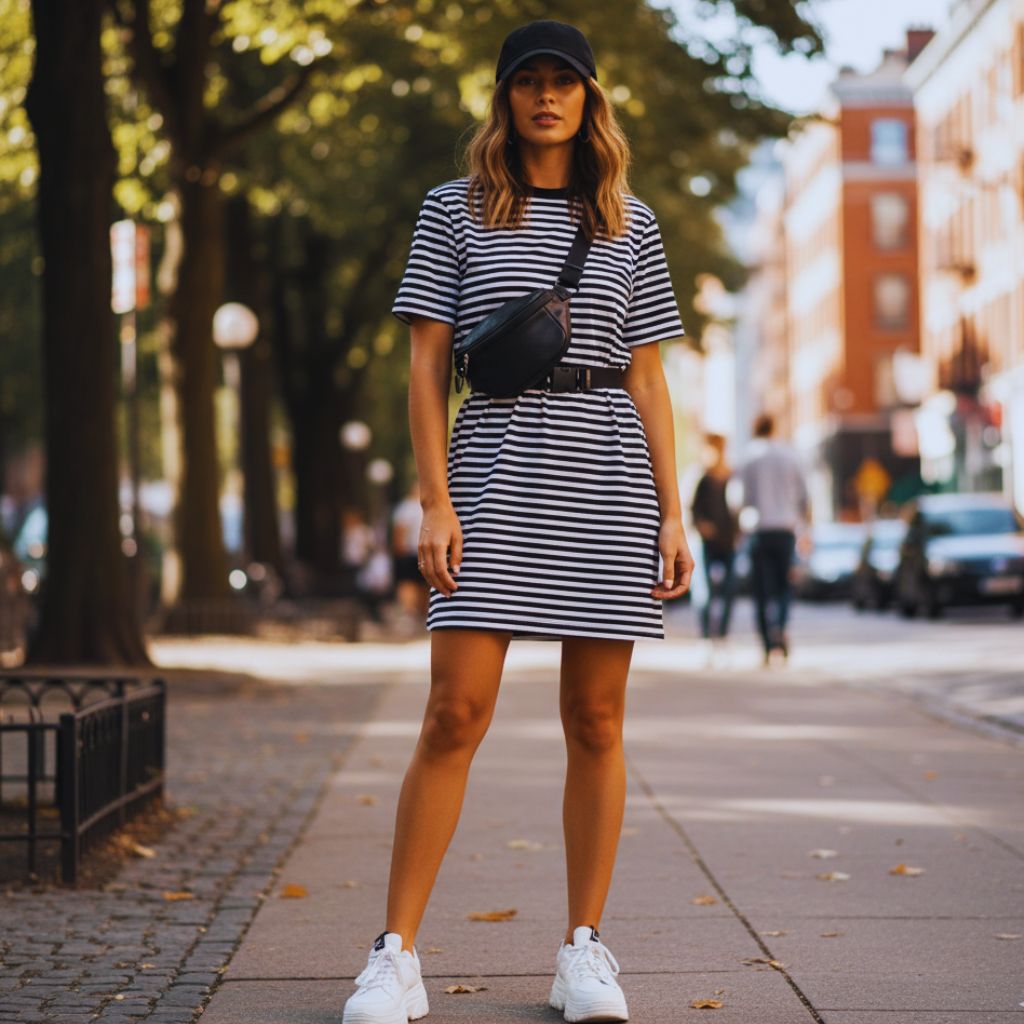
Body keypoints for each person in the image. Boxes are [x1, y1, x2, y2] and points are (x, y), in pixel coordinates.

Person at [342, 20, 694, 1024]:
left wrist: (674, 513)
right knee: (453, 712)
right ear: (503, 98)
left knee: (597, 720)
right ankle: (395, 956)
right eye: (528, 81)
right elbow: (425, 365)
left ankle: (583, 951)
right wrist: (433, 498)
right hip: (492, 468)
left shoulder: (630, 220)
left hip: (607, 475)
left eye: (563, 82)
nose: (546, 96)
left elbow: (647, 375)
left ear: (589, 99)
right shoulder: (452, 208)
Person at [738, 413, 809, 665]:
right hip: (785, 530)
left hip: (759, 530)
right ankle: (780, 626)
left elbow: (738, 498)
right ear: (774, 427)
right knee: (783, 588)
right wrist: (804, 528)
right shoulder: (790, 455)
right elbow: (804, 496)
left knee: (761, 591)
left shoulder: (749, 456)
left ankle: (767, 645)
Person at [690, 433, 739, 646]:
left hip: (728, 541)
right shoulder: (702, 477)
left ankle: (722, 634)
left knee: (730, 590)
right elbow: (692, 509)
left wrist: (738, 532)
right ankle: (706, 636)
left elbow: (738, 508)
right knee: (704, 592)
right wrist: (702, 526)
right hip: (706, 542)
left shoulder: (732, 476)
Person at [391, 481, 429, 627]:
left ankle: (413, 614)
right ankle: (414, 614)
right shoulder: (409, 507)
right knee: (415, 584)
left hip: (414, 551)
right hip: (416, 551)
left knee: (412, 584)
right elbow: (400, 532)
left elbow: (399, 531)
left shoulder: (406, 508)